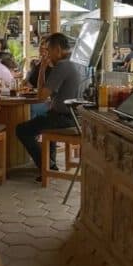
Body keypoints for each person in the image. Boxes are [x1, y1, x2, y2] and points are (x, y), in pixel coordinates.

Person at [15, 33, 84, 180]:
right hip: (76, 117)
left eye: (49, 50)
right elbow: (47, 94)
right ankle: (49, 163)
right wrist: (43, 68)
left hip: (64, 118)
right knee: (48, 117)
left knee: (22, 130)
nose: (48, 54)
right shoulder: (75, 62)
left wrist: (42, 68)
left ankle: (46, 165)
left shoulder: (62, 65)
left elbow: (41, 96)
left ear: (57, 49)